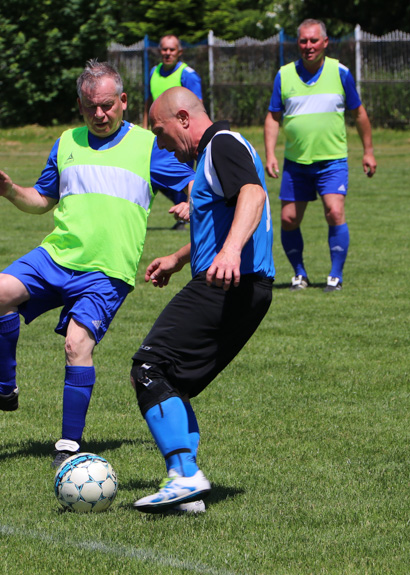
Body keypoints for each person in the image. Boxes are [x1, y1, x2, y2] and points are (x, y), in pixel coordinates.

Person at [0, 60, 195, 469]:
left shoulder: (147, 146)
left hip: (108, 271)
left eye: (106, 105)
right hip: (59, 256)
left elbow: (194, 187)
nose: (98, 115)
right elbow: (42, 200)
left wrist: (189, 199)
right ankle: (4, 390)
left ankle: (69, 444)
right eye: (88, 107)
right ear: (80, 106)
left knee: (76, 343)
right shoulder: (67, 143)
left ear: (123, 101)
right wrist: (11, 191)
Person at [129, 86, 275, 514]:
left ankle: (184, 473)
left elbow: (253, 196)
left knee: (149, 367)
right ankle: (187, 488)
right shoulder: (219, 152)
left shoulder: (221, 145)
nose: (160, 144)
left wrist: (229, 253)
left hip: (230, 283)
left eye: (160, 132)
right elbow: (226, 217)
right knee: (172, 380)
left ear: (184, 120)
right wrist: (178, 257)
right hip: (241, 283)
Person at [264, 18, 377, 293]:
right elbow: (272, 117)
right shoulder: (285, 74)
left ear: (325, 42)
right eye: (303, 41)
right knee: (289, 219)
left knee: (335, 212)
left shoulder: (341, 72)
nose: (308, 46)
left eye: (314, 40)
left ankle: (335, 276)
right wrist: (270, 154)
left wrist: (368, 151)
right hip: (296, 162)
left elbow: (359, 113)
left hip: (332, 160)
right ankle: (299, 274)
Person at [143, 35, 204, 229]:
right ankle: (182, 208)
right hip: (158, 136)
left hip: (181, 138)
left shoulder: (188, 75)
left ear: (180, 52)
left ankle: (191, 214)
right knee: (152, 173)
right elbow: (149, 102)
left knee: (183, 176)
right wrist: (146, 128)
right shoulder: (154, 72)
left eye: (171, 49)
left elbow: (197, 108)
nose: (167, 53)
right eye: (164, 49)